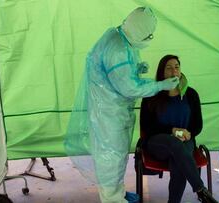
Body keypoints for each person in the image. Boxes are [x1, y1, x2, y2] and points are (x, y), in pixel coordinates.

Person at [74, 7, 179, 203]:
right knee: (111, 158)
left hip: (113, 109)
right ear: (139, 31)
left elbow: (117, 75)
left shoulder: (119, 36)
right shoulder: (117, 49)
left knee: (118, 155)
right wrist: (160, 85)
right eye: (147, 34)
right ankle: (112, 199)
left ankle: (118, 193)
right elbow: (129, 88)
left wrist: (136, 69)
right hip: (108, 114)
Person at [140, 55, 218, 203]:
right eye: (168, 68)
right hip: (157, 142)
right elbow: (147, 127)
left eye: (176, 67)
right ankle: (201, 190)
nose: (173, 71)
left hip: (185, 140)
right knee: (174, 144)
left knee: (179, 161)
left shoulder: (191, 94)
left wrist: (187, 134)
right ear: (162, 72)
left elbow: (197, 125)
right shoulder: (151, 94)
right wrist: (172, 130)